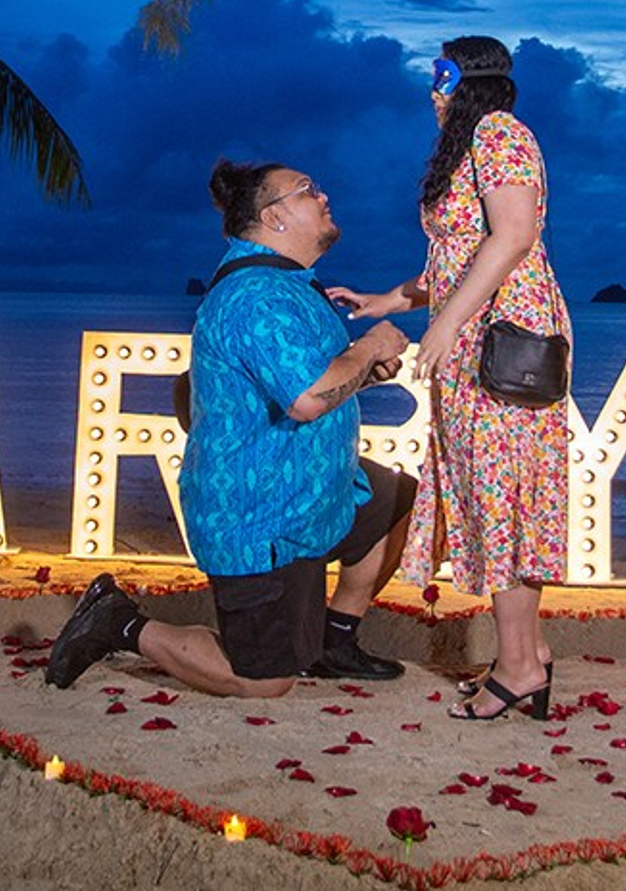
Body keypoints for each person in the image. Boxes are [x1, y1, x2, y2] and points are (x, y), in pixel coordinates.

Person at [45, 159, 414, 697]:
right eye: (308, 190)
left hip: (316, 493)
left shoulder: (292, 286)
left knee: (398, 500)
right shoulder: (255, 296)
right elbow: (310, 398)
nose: (324, 194)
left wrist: (360, 373)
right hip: (259, 518)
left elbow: (315, 382)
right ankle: (118, 622)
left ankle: (336, 641)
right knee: (264, 682)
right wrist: (368, 349)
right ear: (274, 217)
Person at [329, 36, 571, 722]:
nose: (432, 91)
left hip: (503, 344)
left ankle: (521, 665)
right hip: (475, 339)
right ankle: (527, 656)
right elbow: (455, 263)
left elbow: (514, 235)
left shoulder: (500, 133)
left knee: (506, 497)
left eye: (442, 77)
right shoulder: (474, 145)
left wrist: (441, 326)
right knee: (495, 498)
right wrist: (389, 301)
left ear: (469, 83)